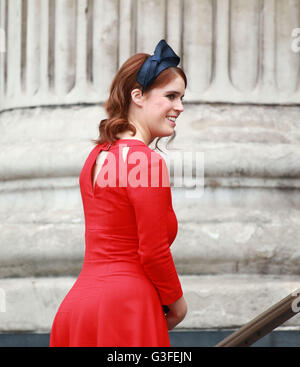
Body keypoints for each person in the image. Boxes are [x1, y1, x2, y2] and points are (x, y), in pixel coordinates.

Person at [49, 40, 188, 347]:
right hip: (126, 311)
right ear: (137, 96)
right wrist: (177, 303)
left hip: (79, 309)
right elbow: (152, 250)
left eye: (181, 97)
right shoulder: (144, 161)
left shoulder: (96, 156)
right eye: (171, 96)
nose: (180, 106)